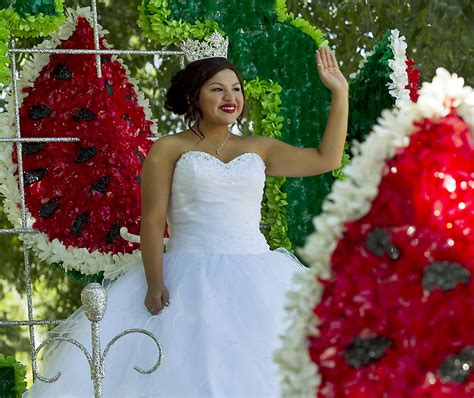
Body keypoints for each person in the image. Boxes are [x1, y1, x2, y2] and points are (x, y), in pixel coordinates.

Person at [25, 35, 348, 397]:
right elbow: (152, 219)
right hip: (186, 275)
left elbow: (327, 159)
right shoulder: (169, 148)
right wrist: (154, 281)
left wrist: (340, 93)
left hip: (256, 273)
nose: (231, 98)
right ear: (195, 95)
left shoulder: (259, 147)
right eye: (218, 89)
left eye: (236, 89)